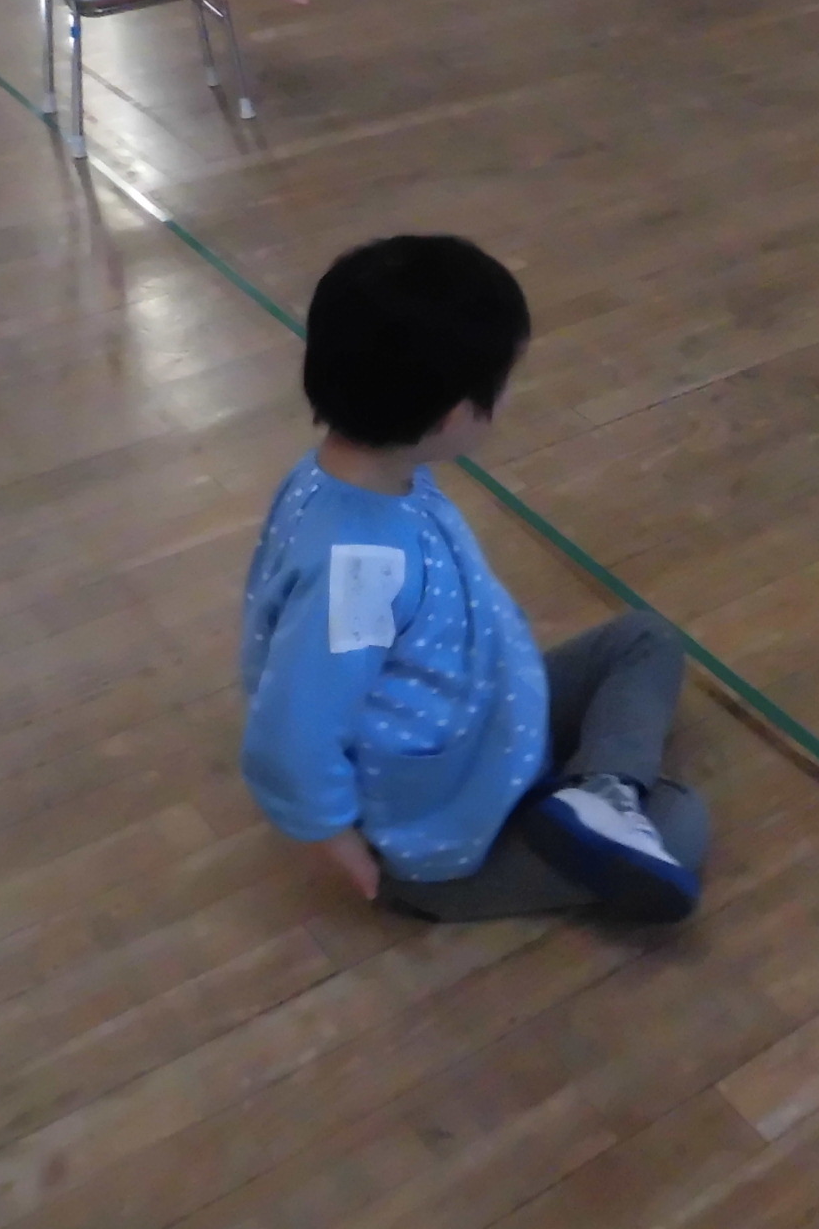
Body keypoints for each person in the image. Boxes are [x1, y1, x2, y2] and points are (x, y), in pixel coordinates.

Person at [241, 235, 706, 923]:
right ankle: (493, 859)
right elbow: (292, 728)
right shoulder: (358, 570)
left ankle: (598, 800)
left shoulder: (358, 474)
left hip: (489, 718)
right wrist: (332, 836)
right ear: (454, 414)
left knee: (646, 638)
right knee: (682, 825)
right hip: (441, 824)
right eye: (505, 383)